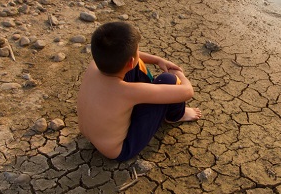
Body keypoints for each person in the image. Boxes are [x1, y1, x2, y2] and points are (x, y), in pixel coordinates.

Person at [77, 21, 201, 161]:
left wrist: (157, 60)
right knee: (169, 79)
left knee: (134, 65)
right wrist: (179, 74)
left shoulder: (95, 65)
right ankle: (176, 115)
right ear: (130, 61)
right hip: (121, 149)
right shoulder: (128, 92)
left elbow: (130, 57)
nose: (138, 52)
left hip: (93, 135)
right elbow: (187, 91)